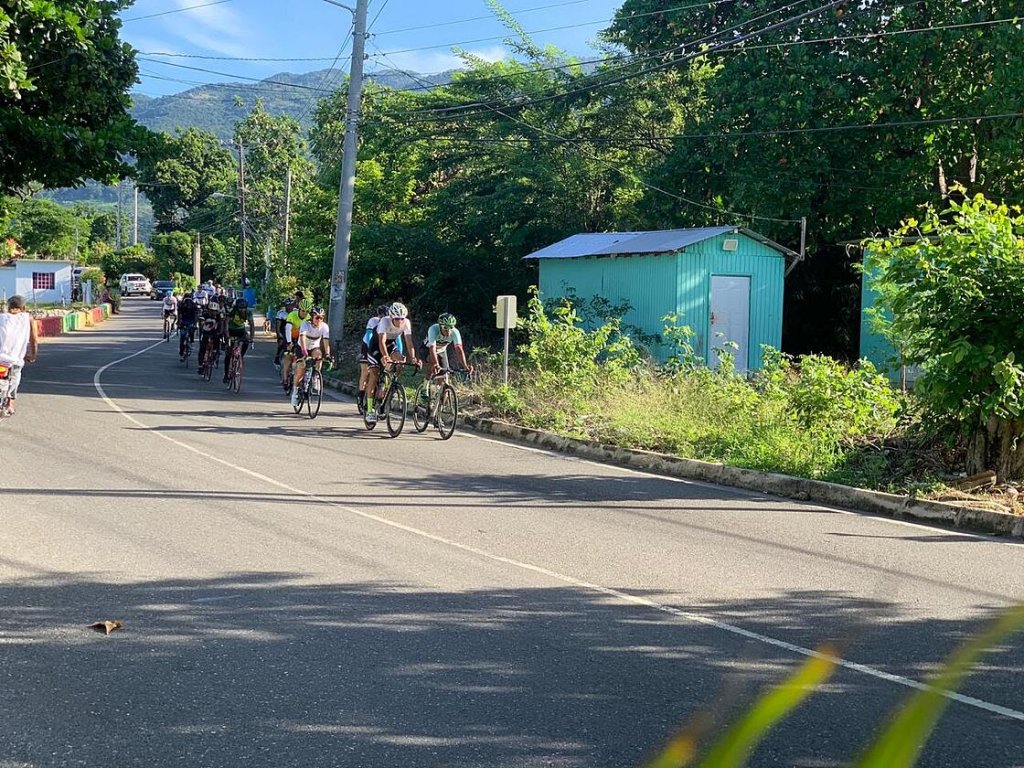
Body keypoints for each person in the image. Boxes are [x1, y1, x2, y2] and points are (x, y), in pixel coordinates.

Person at [365, 301, 419, 423]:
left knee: (401, 361)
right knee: (374, 373)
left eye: (402, 319)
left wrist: (414, 358)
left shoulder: (406, 323)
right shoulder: (384, 321)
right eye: (397, 319)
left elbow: (409, 342)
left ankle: (392, 387)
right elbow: (382, 341)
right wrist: (385, 356)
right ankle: (369, 409)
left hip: (391, 345)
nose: (400, 321)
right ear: (391, 317)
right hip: (376, 346)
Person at [0, 295, 38, 416]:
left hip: (1, 357)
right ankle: (10, 404)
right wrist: (33, 354)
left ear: (9, 307)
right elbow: (34, 339)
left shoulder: (1, 318)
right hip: (16, 358)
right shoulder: (28, 318)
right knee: (15, 379)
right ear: (23, 307)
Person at [290, 307, 332, 407]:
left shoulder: (324, 327)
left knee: (319, 356)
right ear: (312, 317)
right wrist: (304, 353)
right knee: (300, 370)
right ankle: (295, 392)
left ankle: (315, 378)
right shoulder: (305, 324)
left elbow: (326, 342)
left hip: (314, 347)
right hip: (302, 347)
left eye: (321, 318)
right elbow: (303, 338)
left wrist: (328, 354)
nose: (319, 320)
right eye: (317, 318)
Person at [356, 304, 389, 412]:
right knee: (365, 372)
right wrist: (367, 352)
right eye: (381, 317)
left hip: (382, 347)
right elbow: (369, 336)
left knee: (383, 374)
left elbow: (398, 342)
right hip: (368, 345)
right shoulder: (373, 321)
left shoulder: (390, 324)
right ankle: (360, 397)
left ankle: (379, 400)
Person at [425, 312, 473, 378]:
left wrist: (465, 366)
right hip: (427, 349)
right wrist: (435, 363)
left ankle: (440, 387)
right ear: (440, 326)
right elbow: (432, 348)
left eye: (451, 327)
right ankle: (425, 384)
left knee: (444, 374)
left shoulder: (455, 332)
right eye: (445, 328)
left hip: (441, 351)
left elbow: (459, 350)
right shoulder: (433, 329)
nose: (448, 331)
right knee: (432, 366)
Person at [281, 298, 312, 391]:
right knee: (288, 356)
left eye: (307, 311)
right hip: (291, 336)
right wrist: (289, 342)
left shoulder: (309, 317)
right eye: (303, 311)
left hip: (301, 339)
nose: (305, 313)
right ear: (299, 309)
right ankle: (285, 379)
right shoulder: (292, 315)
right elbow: (288, 329)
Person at [223, 297, 255, 383]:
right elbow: (226, 324)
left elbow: (252, 325)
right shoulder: (232, 311)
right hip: (231, 330)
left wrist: (251, 338)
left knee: (246, 342)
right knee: (229, 354)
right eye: (240, 308)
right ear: (237, 307)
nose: (242, 310)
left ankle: (240, 356)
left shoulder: (248, 313)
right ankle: (226, 375)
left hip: (241, 331)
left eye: (244, 308)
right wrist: (228, 336)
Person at [197, 297, 225, 372]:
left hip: (215, 333)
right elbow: (201, 322)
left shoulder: (220, 315)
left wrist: (221, 332)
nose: (213, 312)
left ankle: (215, 353)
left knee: (217, 342)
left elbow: (222, 323)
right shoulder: (205, 314)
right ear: (208, 310)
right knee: (202, 349)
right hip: (206, 332)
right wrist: (202, 326)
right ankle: (200, 365)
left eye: (215, 311)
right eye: (211, 311)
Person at [274, 297, 295, 369]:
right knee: (281, 342)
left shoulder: (297, 312)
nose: (289, 307)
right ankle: (277, 358)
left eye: (291, 305)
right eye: (287, 306)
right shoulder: (281, 313)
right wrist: (279, 335)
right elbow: (278, 326)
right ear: (285, 306)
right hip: (283, 331)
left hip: (294, 331)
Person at [177, 293, 199, 360]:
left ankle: (181, 352)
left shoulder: (182, 304)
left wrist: (178, 323)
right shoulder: (193, 304)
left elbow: (179, 314)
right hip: (190, 322)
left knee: (182, 338)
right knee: (189, 333)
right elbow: (196, 315)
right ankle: (191, 341)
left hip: (184, 321)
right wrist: (195, 324)